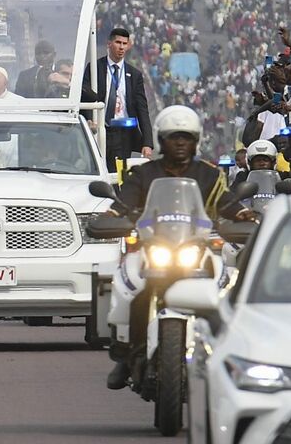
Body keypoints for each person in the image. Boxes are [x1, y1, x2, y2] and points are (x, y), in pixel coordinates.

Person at [105, 105, 225, 390]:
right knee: (133, 287)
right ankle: (128, 355)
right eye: (174, 137)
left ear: (196, 140)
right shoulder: (145, 174)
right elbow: (122, 204)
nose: (180, 143)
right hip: (155, 248)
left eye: (186, 137)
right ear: (162, 140)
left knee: (225, 289)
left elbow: (229, 205)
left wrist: (244, 217)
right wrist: (109, 218)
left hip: (195, 248)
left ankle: (224, 353)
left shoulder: (210, 175)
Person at [86, 27, 152, 170]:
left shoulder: (134, 75)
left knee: (118, 174)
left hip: (123, 133)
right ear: (109, 44)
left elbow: (142, 109)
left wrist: (147, 142)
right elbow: (85, 97)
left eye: (124, 43)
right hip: (100, 129)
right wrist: (88, 120)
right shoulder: (95, 68)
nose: (121, 47)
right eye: (118, 42)